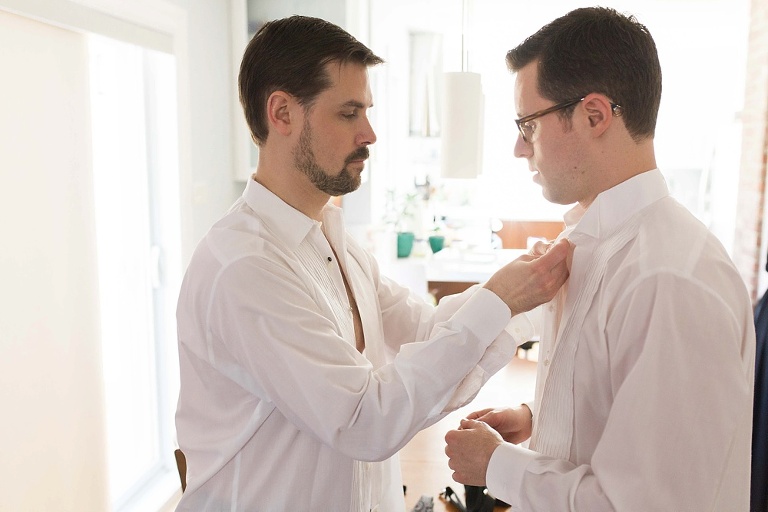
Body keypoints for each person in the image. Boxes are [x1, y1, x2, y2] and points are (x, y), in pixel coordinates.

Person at [174, 15, 569, 512]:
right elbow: (364, 419)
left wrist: (527, 295)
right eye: (348, 113)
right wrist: (501, 299)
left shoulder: (334, 239)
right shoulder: (244, 267)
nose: (370, 133)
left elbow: (424, 329)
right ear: (281, 113)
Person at [444, 7, 755, 511]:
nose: (519, 148)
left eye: (528, 124)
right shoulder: (596, 247)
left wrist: (497, 466)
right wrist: (538, 417)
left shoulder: (667, 278)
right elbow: (628, 416)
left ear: (594, 115)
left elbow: (641, 503)